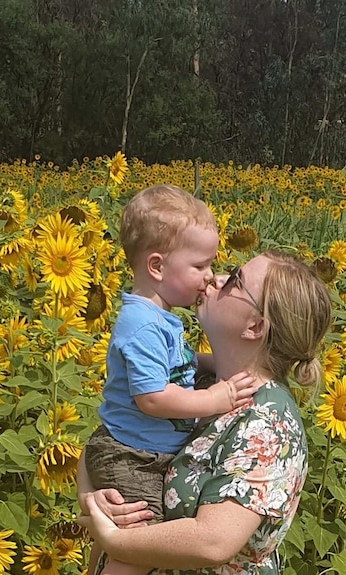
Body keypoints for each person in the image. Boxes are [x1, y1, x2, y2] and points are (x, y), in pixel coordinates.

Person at [78, 250, 332, 575]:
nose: (217, 278)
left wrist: (113, 539)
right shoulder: (195, 381)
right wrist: (94, 498)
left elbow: (213, 541)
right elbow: (111, 439)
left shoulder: (268, 423)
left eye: (236, 281)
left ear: (255, 326)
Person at [83, 185, 259, 575]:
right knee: (141, 539)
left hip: (140, 451)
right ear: (158, 266)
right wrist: (216, 398)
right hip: (133, 456)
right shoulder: (144, 324)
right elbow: (153, 398)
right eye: (200, 265)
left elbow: (177, 365)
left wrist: (214, 363)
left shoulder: (159, 318)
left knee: (124, 536)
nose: (210, 276)